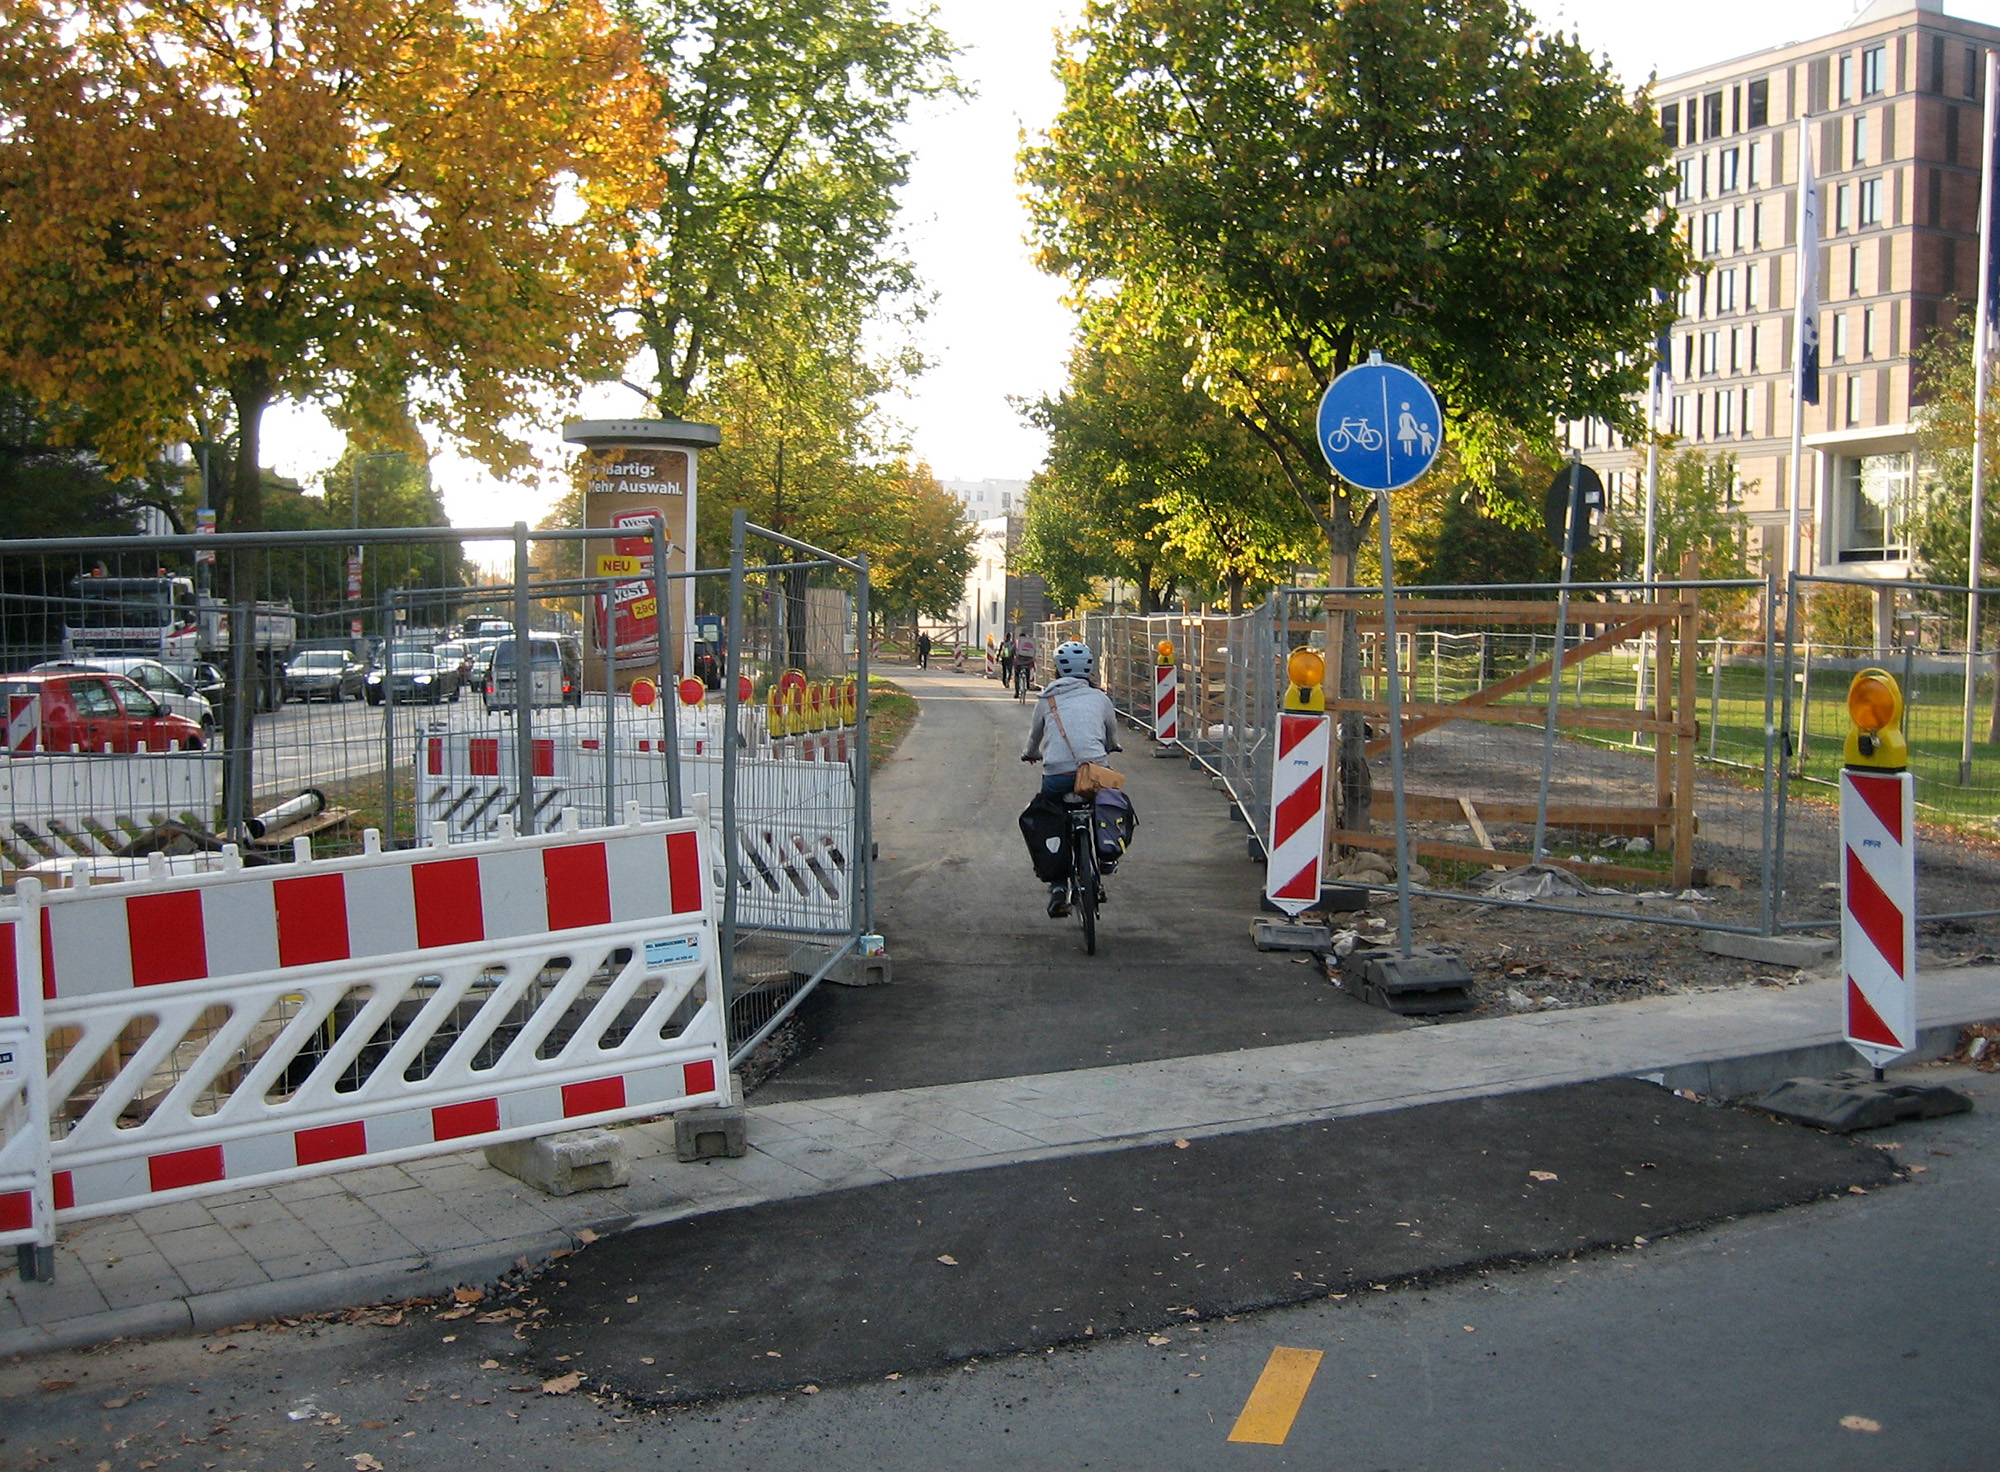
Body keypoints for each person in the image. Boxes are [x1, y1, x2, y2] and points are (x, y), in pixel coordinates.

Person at [1021, 638, 1121, 916]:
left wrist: (1030, 753)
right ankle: (1107, 855)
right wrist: (1111, 746)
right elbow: (1111, 733)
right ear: (1089, 670)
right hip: (1094, 772)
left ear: (1057, 670)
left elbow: (1034, 738)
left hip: (1057, 775)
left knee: (1050, 818)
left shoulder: (1046, 699)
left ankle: (1057, 887)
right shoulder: (1100, 698)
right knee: (1110, 801)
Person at [1012, 627, 1037, 698]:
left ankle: (1017, 692)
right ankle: (1028, 684)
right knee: (1027, 670)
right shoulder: (1029, 642)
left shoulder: (1016, 642)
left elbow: (1012, 651)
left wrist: (1013, 657)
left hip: (1018, 662)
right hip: (1028, 661)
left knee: (1017, 676)